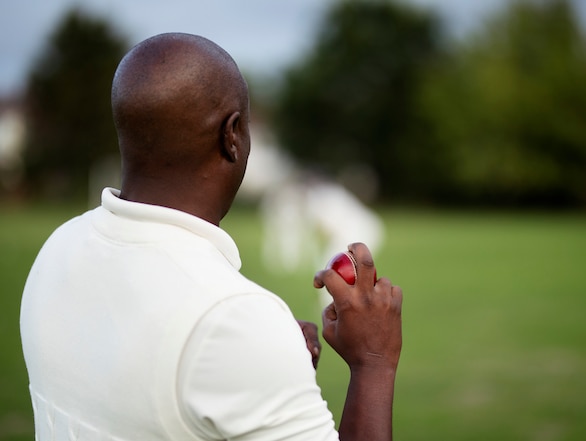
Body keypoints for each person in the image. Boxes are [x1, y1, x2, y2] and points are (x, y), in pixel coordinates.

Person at [20, 33, 403, 441]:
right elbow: (213, 340)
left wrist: (266, 372)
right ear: (232, 134)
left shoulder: (58, 247)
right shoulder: (233, 316)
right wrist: (373, 362)